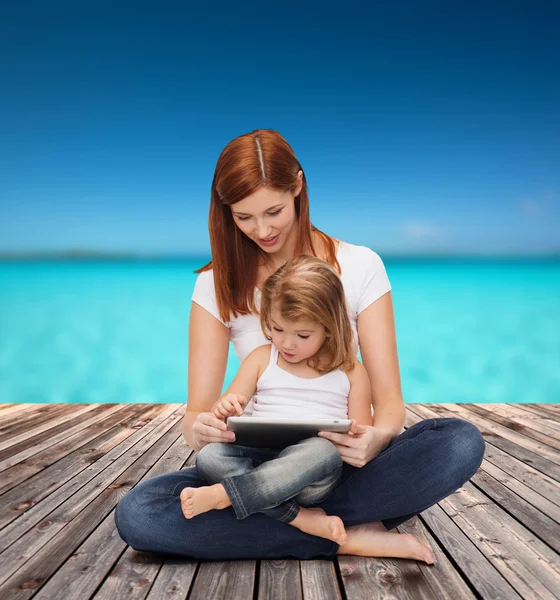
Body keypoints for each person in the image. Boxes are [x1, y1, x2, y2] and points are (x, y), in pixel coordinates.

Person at [115, 129, 485, 561]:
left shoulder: (361, 266)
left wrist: (377, 437)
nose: (262, 229)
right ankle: (343, 533)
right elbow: (196, 416)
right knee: (138, 513)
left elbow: (388, 403)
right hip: (248, 461)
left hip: (335, 463)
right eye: (244, 217)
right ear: (225, 212)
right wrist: (203, 427)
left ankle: (276, 520)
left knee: (458, 440)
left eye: (273, 210)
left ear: (298, 186)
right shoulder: (213, 285)